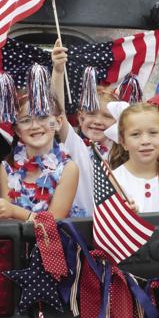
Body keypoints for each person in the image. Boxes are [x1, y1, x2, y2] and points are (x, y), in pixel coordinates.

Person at [0, 76, 81, 221]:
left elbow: (54, 224)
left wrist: (13, 211)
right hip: (17, 241)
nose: (35, 126)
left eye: (42, 117)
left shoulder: (68, 169)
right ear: (17, 130)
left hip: (54, 242)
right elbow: (7, 221)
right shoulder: (7, 168)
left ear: (58, 122)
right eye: (25, 120)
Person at [50, 40, 116, 216]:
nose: (98, 121)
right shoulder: (76, 146)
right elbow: (58, 111)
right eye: (92, 114)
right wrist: (58, 71)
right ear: (80, 117)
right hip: (79, 226)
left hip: (113, 227)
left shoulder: (123, 151)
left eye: (108, 116)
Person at [108, 99, 159, 212]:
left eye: (153, 133)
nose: (145, 141)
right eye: (135, 134)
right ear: (123, 142)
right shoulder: (115, 180)